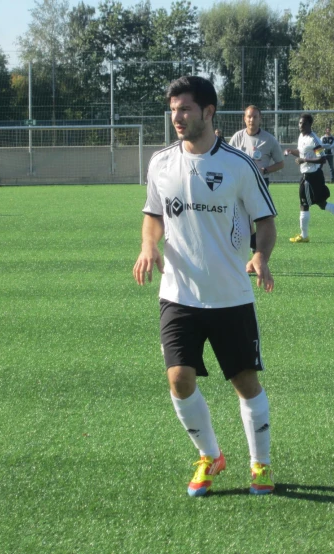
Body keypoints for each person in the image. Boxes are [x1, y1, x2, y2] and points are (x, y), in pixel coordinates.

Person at [133, 76, 277, 497]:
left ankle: (260, 464)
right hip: (178, 293)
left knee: (245, 383)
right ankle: (210, 455)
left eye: (185, 109)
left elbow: (265, 221)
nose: (176, 117)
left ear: (208, 112)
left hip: (231, 294)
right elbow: (153, 215)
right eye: (173, 109)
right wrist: (148, 246)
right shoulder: (160, 162)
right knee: (178, 378)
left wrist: (261, 256)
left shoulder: (238, 164)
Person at [285, 113, 334, 243]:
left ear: (309, 125)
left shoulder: (314, 140)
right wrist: (291, 151)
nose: (300, 126)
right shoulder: (302, 136)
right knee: (322, 204)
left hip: (310, 176)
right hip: (313, 176)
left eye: (303, 123)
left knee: (304, 204)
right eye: (299, 123)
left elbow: (322, 159)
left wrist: (304, 160)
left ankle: (304, 235)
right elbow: (301, 151)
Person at [229, 105, 284, 251]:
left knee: (259, 219)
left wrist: (265, 169)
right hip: (239, 184)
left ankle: (258, 252)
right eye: (248, 116)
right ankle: (253, 248)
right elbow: (227, 159)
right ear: (244, 119)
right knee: (242, 220)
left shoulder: (269, 140)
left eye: (254, 117)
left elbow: (280, 163)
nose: (251, 120)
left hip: (259, 185)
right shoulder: (237, 137)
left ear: (260, 119)